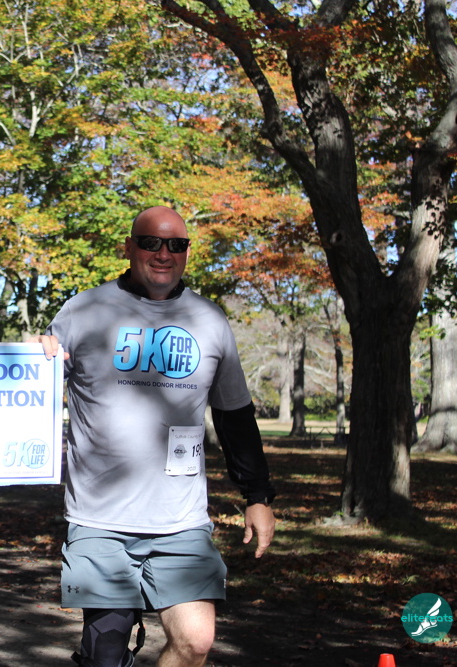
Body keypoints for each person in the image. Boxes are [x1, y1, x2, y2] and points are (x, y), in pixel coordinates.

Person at [31, 206, 276, 667]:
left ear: (186, 252)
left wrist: (257, 495)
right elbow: (31, 390)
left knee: (196, 641)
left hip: (180, 521)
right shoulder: (85, 310)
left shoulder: (209, 319)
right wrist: (32, 357)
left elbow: (235, 415)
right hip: (100, 520)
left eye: (176, 245)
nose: (163, 254)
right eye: (150, 243)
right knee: (104, 655)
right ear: (128, 247)